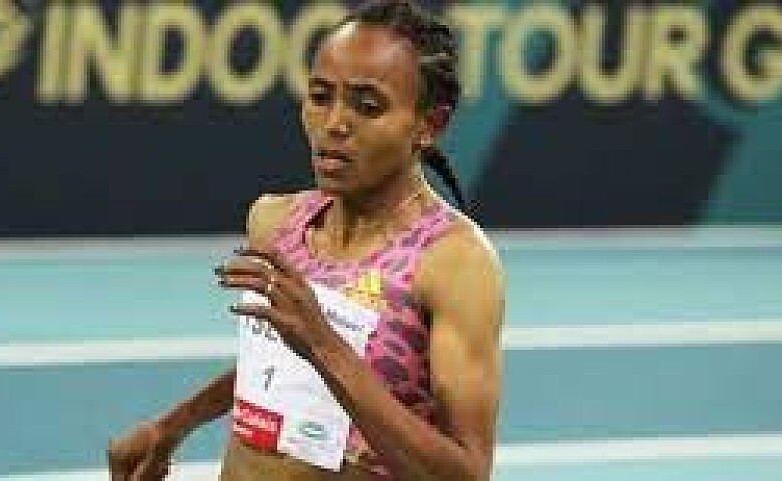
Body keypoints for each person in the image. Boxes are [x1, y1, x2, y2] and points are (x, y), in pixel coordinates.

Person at [108, 1, 505, 480]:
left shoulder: (453, 262)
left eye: (368, 106)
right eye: (320, 96)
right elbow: (278, 367)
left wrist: (324, 344)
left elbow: (466, 473)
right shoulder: (275, 222)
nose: (335, 123)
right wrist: (173, 425)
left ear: (430, 125)